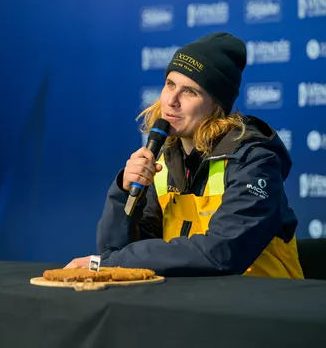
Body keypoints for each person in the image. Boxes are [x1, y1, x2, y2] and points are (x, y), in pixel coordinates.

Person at [65, 32, 305, 279]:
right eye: (170, 84)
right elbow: (116, 253)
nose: (171, 100)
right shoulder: (163, 162)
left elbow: (222, 253)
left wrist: (111, 262)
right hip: (194, 305)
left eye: (190, 91)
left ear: (216, 105)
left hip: (265, 305)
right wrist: (123, 192)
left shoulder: (255, 161)